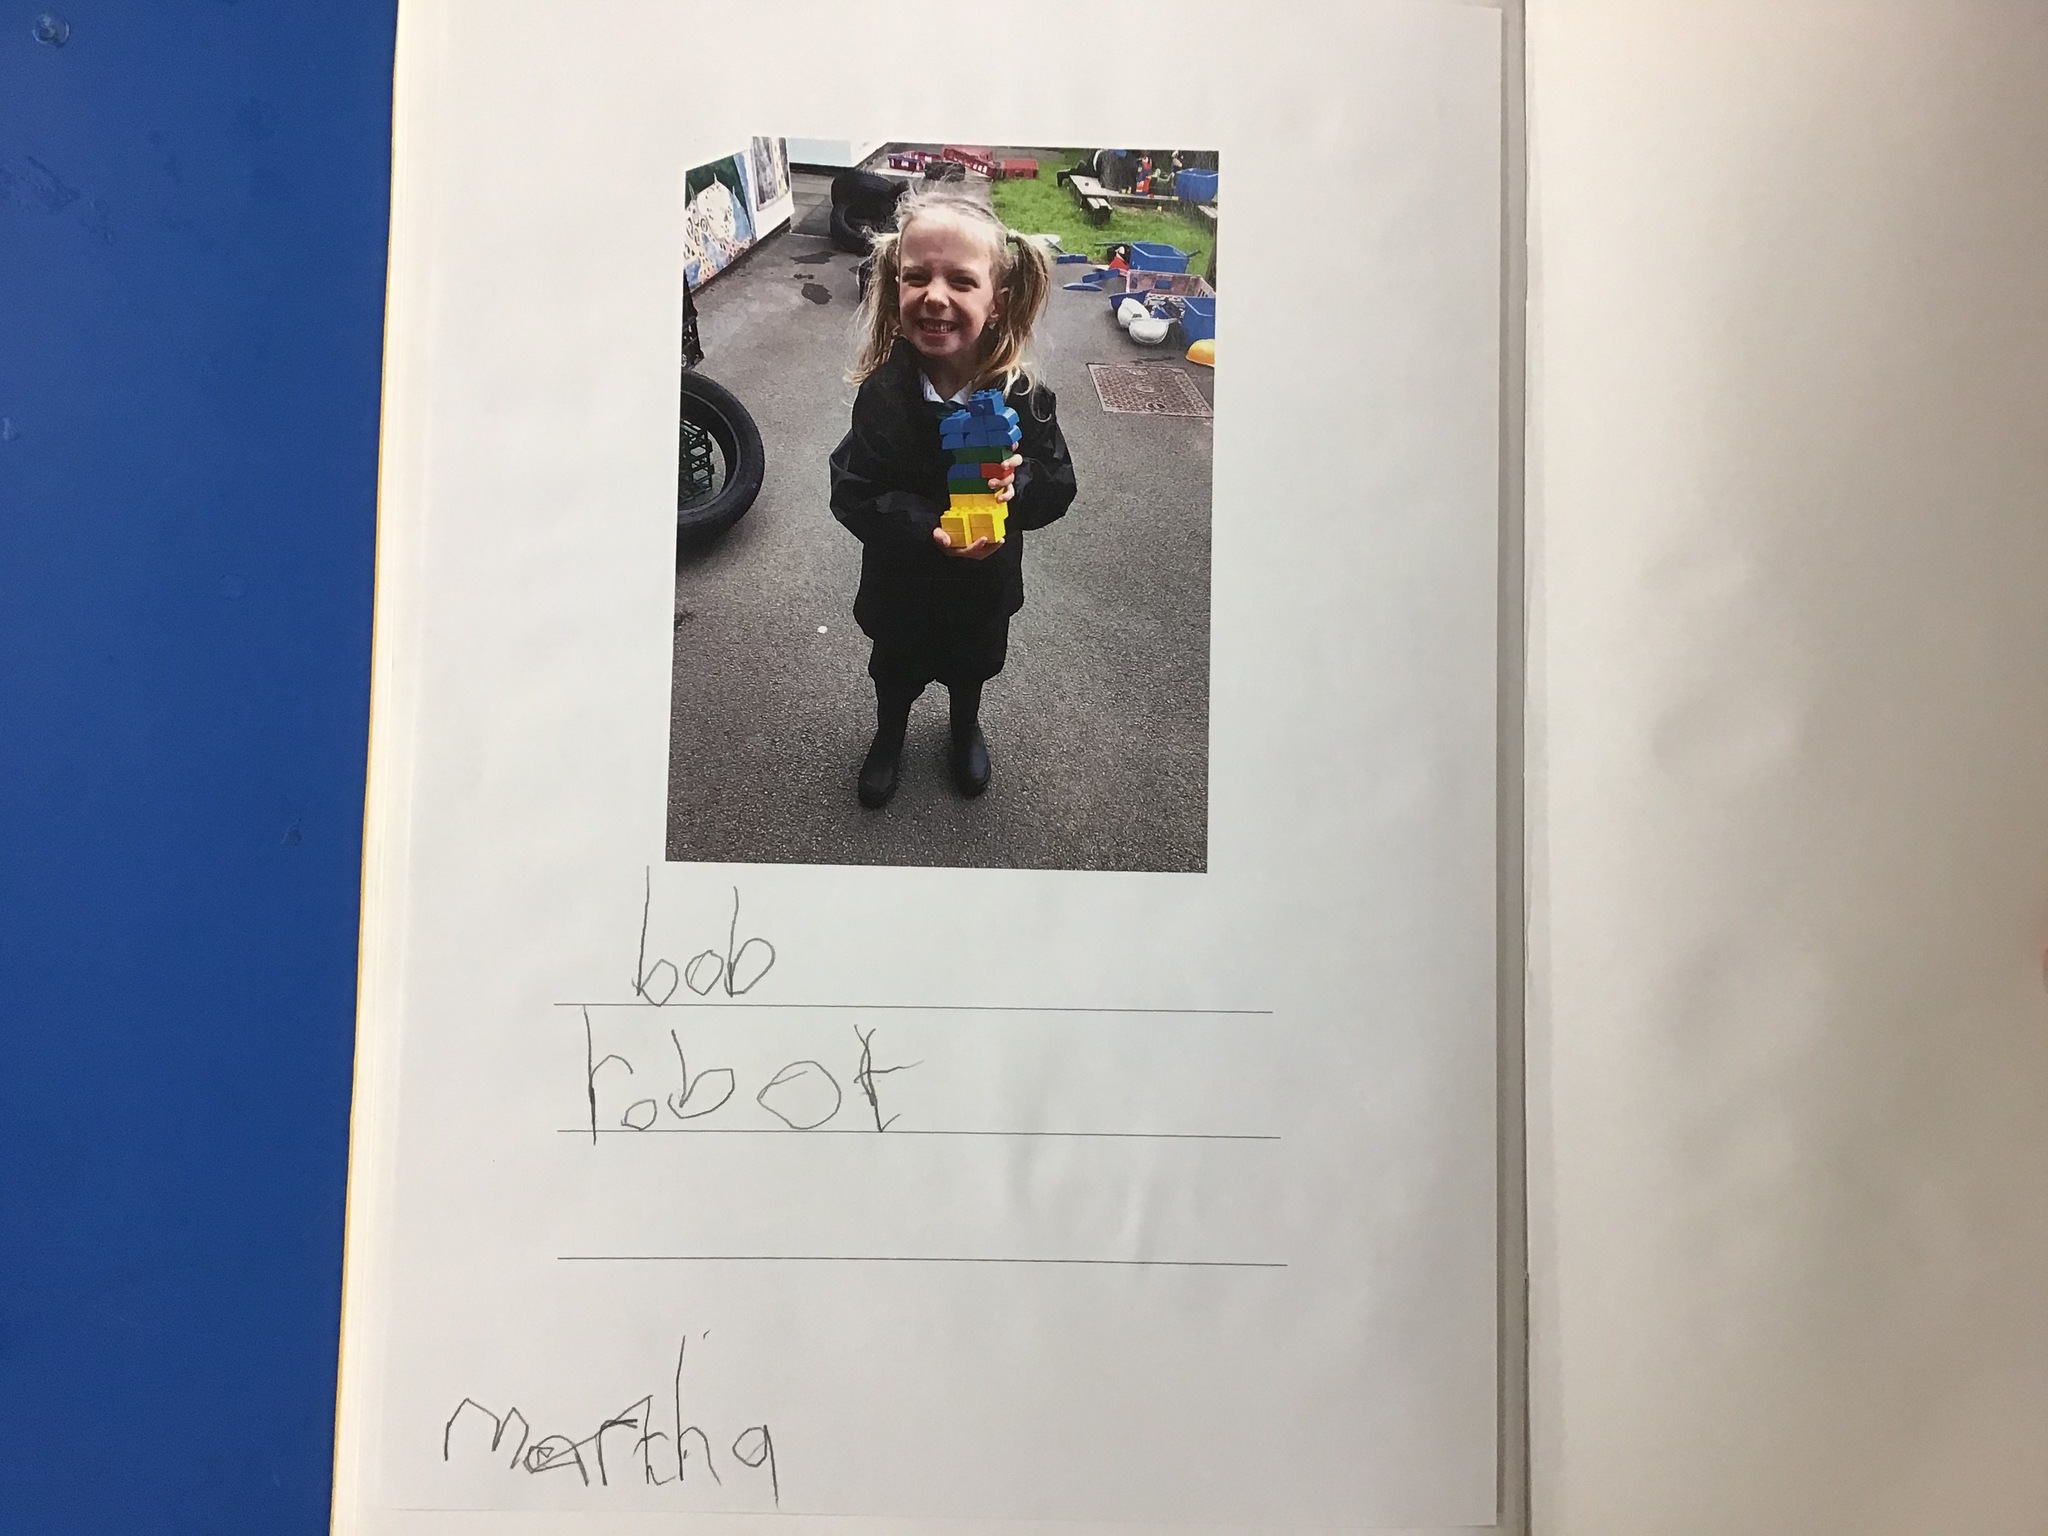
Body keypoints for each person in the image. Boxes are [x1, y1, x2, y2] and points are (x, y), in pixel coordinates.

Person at [829, 185, 1078, 809]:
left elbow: (1058, 480)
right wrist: (929, 528)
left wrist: (1016, 486)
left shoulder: (1022, 396)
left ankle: (964, 727)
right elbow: (854, 490)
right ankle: (889, 735)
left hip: (982, 586)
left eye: (961, 281)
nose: (935, 296)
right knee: (895, 671)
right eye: (917, 277)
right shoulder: (884, 394)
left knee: (972, 668)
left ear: (997, 303)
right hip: (902, 583)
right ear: (896, 289)